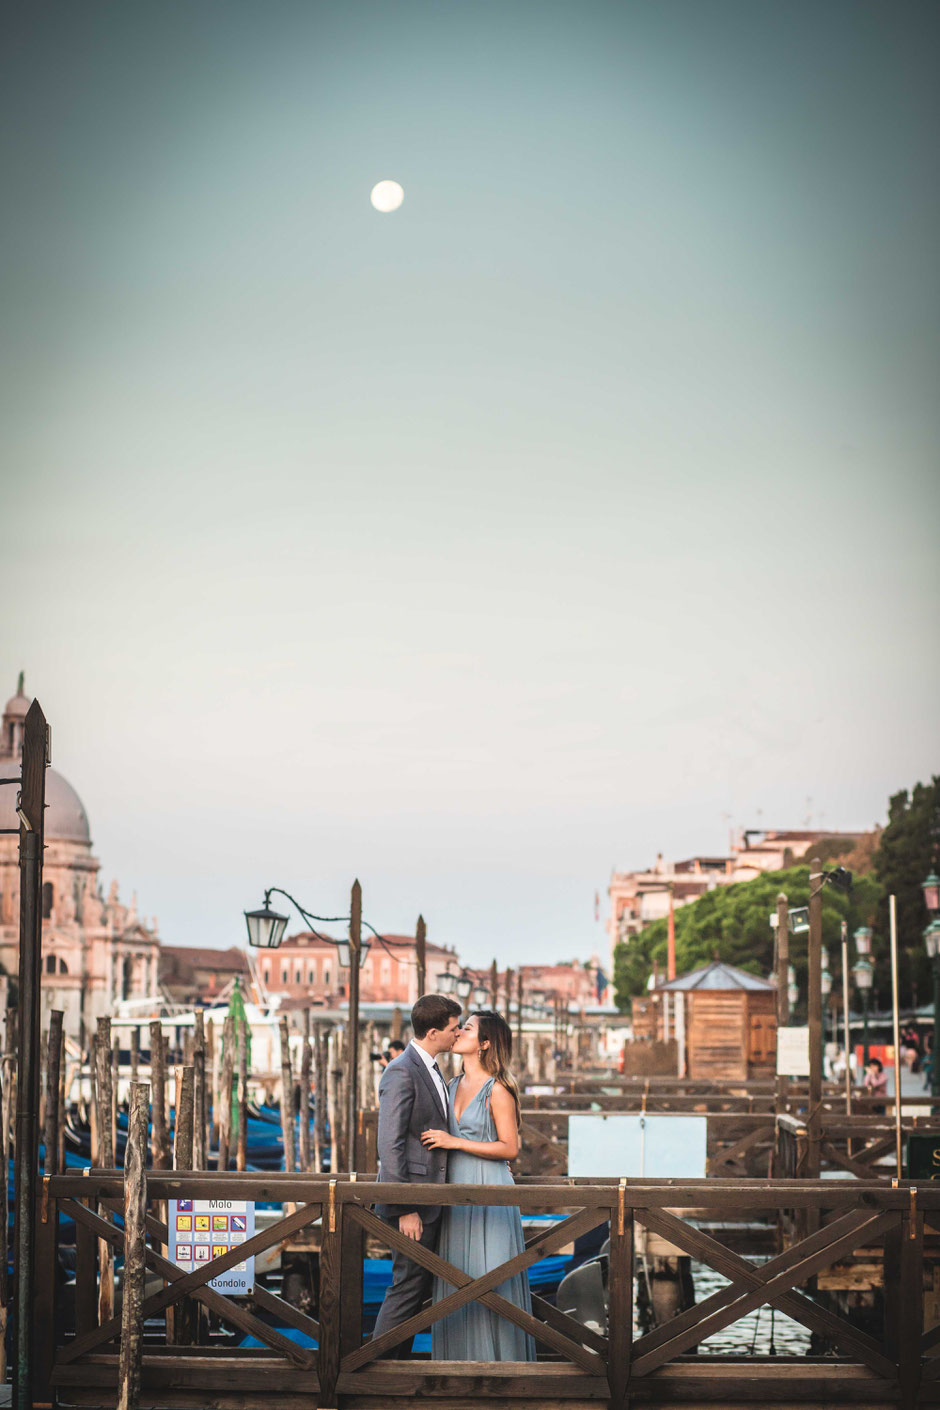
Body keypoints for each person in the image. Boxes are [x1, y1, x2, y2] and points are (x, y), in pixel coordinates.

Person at [421, 1010, 536, 1361]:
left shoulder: (498, 1090)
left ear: (485, 1044)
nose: (459, 1033)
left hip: (490, 1190)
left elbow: (510, 1147)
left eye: (467, 1028)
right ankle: (457, 1370)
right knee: (457, 1276)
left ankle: (503, 1372)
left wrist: (454, 1142)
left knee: (491, 1277)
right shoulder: (450, 1085)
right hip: (455, 1191)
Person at [371, 994, 463, 1356]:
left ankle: (394, 1364)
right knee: (407, 1285)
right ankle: (376, 1370)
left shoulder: (433, 1068)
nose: (457, 1034)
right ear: (434, 1031)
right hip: (413, 1204)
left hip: (432, 1198)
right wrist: (405, 1207)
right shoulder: (400, 1070)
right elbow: (389, 1145)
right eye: (454, 1029)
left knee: (417, 1286)